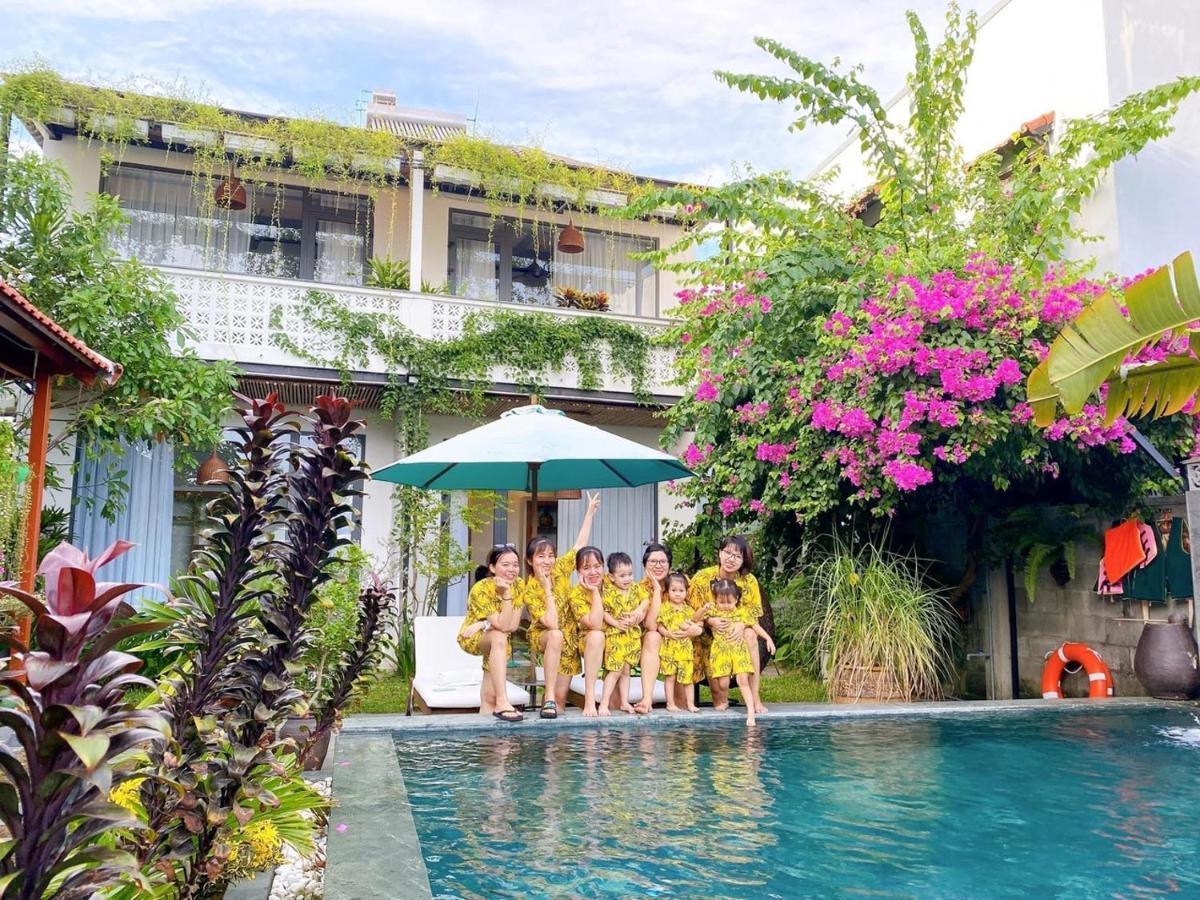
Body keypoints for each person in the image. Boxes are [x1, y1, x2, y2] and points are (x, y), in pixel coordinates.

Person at [519, 491, 601, 717]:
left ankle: (556, 747)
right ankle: (548, 697)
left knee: (561, 705)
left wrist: (589, 513)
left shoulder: (559, 571)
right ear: (530, 560)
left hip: (569, 640)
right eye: (541, 556)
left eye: (550, 555)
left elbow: (579, 546)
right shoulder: (531, 589)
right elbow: (551, 623)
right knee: (555, 634)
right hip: (545, 637)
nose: (547, 561)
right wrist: (546, 590)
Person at [689, 535, 767, 712]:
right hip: (709, 636)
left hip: (738, 634)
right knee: (720, 702)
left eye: (738, 556)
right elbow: (691, 608)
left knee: (750, 635)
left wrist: (741, 624)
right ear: (720, 553)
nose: (731, 559)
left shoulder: (749, 581)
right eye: (728, 553)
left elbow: (754, 612)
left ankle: (755, 699)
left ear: (743, 560)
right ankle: (719, 696)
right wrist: (710, 621)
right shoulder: (702, 578)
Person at [457, 545, 525, 722]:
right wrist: (506, 596)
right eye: (505, 564)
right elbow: (502, 625)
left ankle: (489, 744)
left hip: (499, 643)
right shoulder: (481, 589)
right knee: (498, 636)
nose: (512, 569)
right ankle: (503, 701)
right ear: (493, 568)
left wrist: (484, 623)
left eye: (515, 565)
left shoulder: (520, 584)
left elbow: (513, 625)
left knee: (489, 697)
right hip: (472, 637)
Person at [699, 579, 774, 727]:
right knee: (723, 684)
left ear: (737, 599)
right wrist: (705, 613)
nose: (725, 606)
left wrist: (768, 638)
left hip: (739, 651)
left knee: (742, 681)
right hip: (721, 652)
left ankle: (751, 713)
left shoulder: (742, 613)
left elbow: (755, 626)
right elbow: (696, 618)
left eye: (729, 602)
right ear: (716, 599)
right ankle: (725, 700)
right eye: (721, 602)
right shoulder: (713, 611)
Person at [599, 551, 646, 716]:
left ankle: (624, 701)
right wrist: (616, 623)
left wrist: (639, 611)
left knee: (626, 670)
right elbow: (603, 612)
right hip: (616, 635)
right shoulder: (608, 591)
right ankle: (604, 703)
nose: (627, 579)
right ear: (611, 577)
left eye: (630, 574)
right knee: (615, 670)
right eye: (622, 575)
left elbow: (645, 600)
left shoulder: (635, 588)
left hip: (632, 635)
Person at [566, 546, 608, 717]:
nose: (593, 572)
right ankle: (589, 699)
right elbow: (595, 624)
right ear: (578, 571)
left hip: (616, 639)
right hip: (589, 641)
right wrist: (595, 593)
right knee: (597, 636)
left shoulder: (614, 584)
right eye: (586, 567)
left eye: (597, 566)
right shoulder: (576, 594)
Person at [632, 542, 672, 714]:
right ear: (645, 565)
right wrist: (656, 590)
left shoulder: (681, 583)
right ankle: (647, 698)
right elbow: (650, 625)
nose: (658, 566)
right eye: (653, 562)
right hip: (648, 643)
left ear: (670, 565)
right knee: (653, 636)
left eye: (662, 562)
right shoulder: (638, 589)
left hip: (679, 639)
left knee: (681, 705)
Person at [657, 572, 702, 712]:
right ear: (667, 591)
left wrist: (691, 628)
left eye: (681, 591)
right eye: (674, 590)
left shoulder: (689, 610)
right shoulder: (664, 607)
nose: (677, 594)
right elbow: (660, 626)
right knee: (670, 677)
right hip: (670, 649)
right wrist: (668, 633)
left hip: (685, 651)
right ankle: (670, 703)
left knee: (687, 679)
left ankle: (690, 704)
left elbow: (696, 622)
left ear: (686, 592)